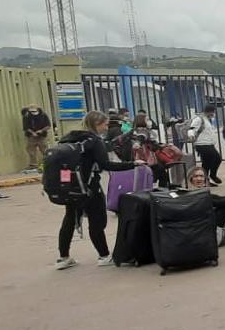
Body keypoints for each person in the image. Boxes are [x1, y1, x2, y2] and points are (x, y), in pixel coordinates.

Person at [55, 111, 144, 270]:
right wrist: (133, 164)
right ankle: (103, 255)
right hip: (90, 187)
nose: (106, 127)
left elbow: (63, 166)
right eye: (104, 124)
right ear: (97, 124)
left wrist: (66, 185)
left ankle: (63, 257)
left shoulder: (69, 138)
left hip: (71, 187)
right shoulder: (95, 141)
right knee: (97, 221)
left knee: (69, 220)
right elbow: (106, 165)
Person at [190, 105, 222, 186]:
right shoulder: (199, 119)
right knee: (214, 160)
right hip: (202, 144)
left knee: (209, 162)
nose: (214, 114)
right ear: (209, 111)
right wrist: (191, 136)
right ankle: (210, 177)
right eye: (213, 112)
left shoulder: (207, 120)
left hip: (208, 144)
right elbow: (192, 129)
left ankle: (207, 179)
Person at [22, 104, 51, 171]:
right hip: (31, 136)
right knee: (31, 151)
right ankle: (33, 165)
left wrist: (41, 131)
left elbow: (48, 125)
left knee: (44, 150)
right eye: (31, 111)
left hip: (42, 136)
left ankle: (47, 164)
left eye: (34, 111)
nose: (33, 113)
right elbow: (25, 127)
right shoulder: (26, 116)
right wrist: (33, 133)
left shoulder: (43, 115)